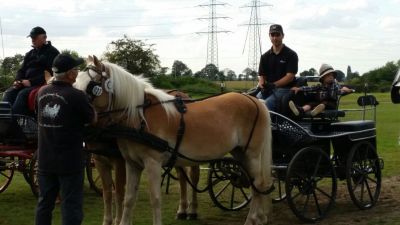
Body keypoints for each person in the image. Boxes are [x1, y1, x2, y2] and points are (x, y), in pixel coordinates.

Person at [35, 53, 96, 225]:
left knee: (44, 204)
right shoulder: (76, 95)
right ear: (70, 74)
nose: (78, 72)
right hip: (70, 162)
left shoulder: (41, 92)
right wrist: (89, 100)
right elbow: (92, 119)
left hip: (45, 161)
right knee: (71, 205)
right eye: (76, 69)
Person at [2, 26, 59, 115]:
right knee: (9, 92)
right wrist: (17, 81)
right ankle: (3, 121)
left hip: (42, 84)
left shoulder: (53, 52)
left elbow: (52, 73)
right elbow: (21, 70)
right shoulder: (30, 53)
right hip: (26, 84)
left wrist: (31, 82)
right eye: (32, 37)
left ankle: (15, 121)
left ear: (44, 38)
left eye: (35, 37)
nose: (33, 40)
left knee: (22, 94)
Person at [257, 24, 299, 111]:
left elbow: (290, 77)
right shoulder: (264, 57)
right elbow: (262, 76)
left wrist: (273, 85)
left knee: (267, 104)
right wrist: (262, 85)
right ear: (269, 36)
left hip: (285, 89)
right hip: (268, 89)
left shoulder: (291, 54)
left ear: (282, 36)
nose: (275, 38)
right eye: (272, 35)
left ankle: (270, 124)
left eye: (277, 35)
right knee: (255, 102)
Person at [288, 63, 354, 117]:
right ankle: (300, 110)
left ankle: (317, 110)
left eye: (332, 75)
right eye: (328, 75)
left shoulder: (334, 86)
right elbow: (311, 88)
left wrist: (347, 90)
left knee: (323, 104)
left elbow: (339, 91)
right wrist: (300, 88)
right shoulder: (320, 86)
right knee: (311, 103)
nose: (331, 77)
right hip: (319, 103)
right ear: (323, 78)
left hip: (330, 104)